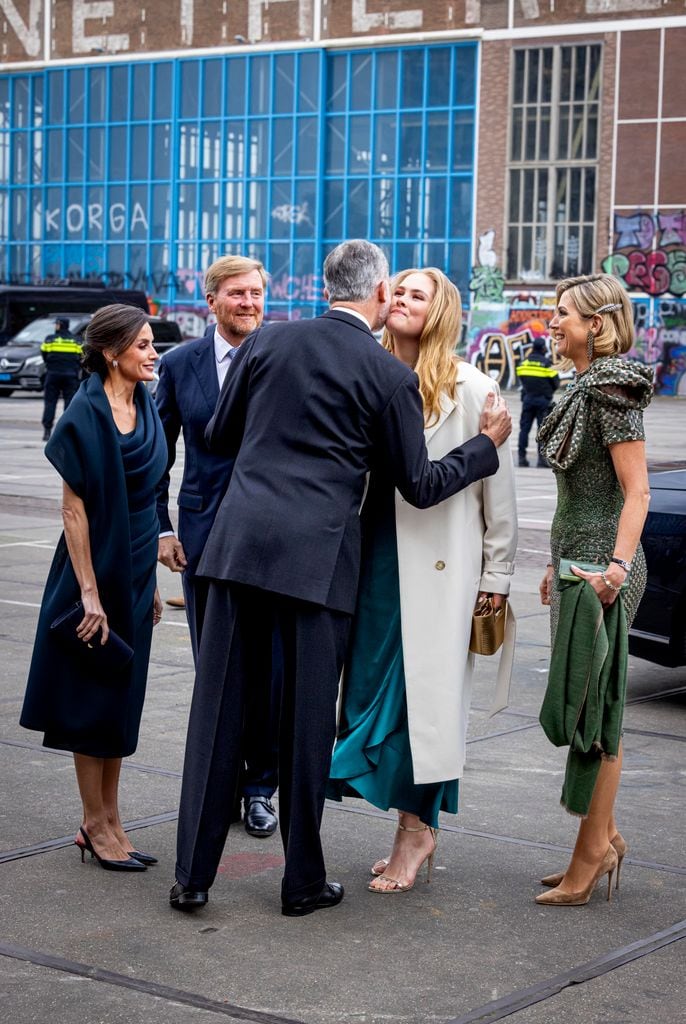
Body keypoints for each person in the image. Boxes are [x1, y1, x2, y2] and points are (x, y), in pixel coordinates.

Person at [169, 240, 512, 917]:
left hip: (238, 550)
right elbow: (418, 484)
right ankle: (301, 884)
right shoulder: (388, 377)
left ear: (328, 285)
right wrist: (484, 448)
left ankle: (192, 879)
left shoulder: (268, 343)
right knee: (304, 726)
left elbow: (219, 430)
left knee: (216, 717)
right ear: (379, 293)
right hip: (319, 566)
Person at [327, 268, 517, 893]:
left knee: (423, 708)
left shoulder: (471, 387)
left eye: (418, 294)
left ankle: (416, 831)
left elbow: (499, 493)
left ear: (441, 311)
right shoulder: (368, 372)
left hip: (439, 566)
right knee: (364, 697)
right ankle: (410, 828)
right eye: (397, 290)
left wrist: (498, 574)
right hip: (372, 558)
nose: (403, 300)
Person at [20, 304, 168, 871]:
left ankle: (113, 819)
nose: (153, 353)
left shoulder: (146, 405)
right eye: (143, 344)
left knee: (121, 701)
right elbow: (73, 510)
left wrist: (149, 578)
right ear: (112, 352)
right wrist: (89, 593)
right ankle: (92, 821)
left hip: (133, 571)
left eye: (153, 343)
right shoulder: (84, 412)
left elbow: (150, 496)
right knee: (91, 701)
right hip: (92, 574)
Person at [536, 273, 653, 907]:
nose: (552, 322)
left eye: (564, 315)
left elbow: (637, 492)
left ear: (598, 325)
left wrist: (614, 568)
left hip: (604, 569)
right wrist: (556, 564)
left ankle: (589, 860)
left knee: (596, 710)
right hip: (576, 562)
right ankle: (601, 842)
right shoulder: (581, 384)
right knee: (584, 702)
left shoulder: (611, 387)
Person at [155, 255, 280, 839]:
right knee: (217, 672)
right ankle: (223, 786)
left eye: (256, 292)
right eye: (237, 293)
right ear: (212, 300)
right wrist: (161, 527)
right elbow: (159, 454)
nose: (249, 303)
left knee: (267, 672)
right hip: (202, 542)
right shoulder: (180, 365)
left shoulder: (281, 359)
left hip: (269, 541)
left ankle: (261, 788)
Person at [515, 336, 559, 467]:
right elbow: (556, 383)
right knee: (542, 431)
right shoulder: (546, 364)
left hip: (528, 400)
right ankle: (542, 460)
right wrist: (547, 393)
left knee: (524, 430)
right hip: (543, 402)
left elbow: (522, 380)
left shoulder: (524, 364)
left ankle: (521, 458)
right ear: (543, 348)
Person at [41, 317, 83, 442]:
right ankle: (66, 432)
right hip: (70, 376)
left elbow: (44, 354)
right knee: (69, 404)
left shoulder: (50, 339)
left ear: (60, 325)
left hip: (52, 375)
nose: (55, 326)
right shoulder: (76, 340)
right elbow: (81, 357)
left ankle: (47, 431)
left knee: (50, 402)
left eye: (56, 324)